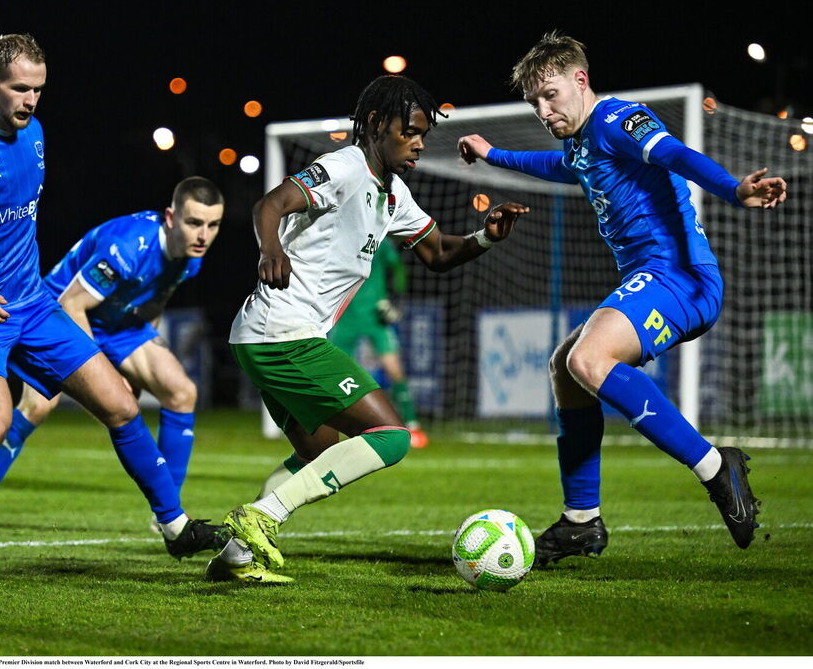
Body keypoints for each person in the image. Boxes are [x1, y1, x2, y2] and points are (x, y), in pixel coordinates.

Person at [457, 31, 786, 565]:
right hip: (656, 279)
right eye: (534, 102)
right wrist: (491, 153)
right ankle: (581, 522)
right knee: (566, 368)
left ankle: (715, 466)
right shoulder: (583, 143)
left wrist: (732, 189)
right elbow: (558, 167)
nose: (543, 110)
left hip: (680, 276)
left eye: (550, 95)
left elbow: (675, 154)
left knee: (589, 358)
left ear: (580, 80)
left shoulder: (617, 118)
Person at [0, 34, 227, 577]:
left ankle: (174, 528)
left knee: (122, 406)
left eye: (38, 89)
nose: (31, 100)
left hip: (33, 304)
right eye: (19, 89)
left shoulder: (34, 133)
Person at [206, 74, 528, 583]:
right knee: (392, 436)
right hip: (283, 332)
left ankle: (234, 560)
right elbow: (269, 205)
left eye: (424, 134)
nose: (420, 143)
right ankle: (261, 517)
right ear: (377, 125)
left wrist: (483, 238)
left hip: (267, 336)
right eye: (410, 132)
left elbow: (438, 253)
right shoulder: (344, 167)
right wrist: (272, 249)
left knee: (318, 453)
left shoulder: (393, 193)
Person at [0, 177, 224, 543]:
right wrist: (107, 372)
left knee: (181, 391)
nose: (203, 235)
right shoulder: (128, 246)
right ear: (171, 217)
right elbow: (72, 303)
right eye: (195, 223)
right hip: (59, 313)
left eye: (213, 225)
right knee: (37, 407)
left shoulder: (189, 256)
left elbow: (155, 301)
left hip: (120, 325)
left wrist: (142, 357)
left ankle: (168, 515)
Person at [327, 235, 428, 447]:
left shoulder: (378, 241)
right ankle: (334, 425)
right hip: (345, 316)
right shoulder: (338, 238)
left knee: (394, 369)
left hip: (375, 316)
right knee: (336, 374)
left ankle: (413, 425)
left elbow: (398, 268)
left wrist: (396, 299)